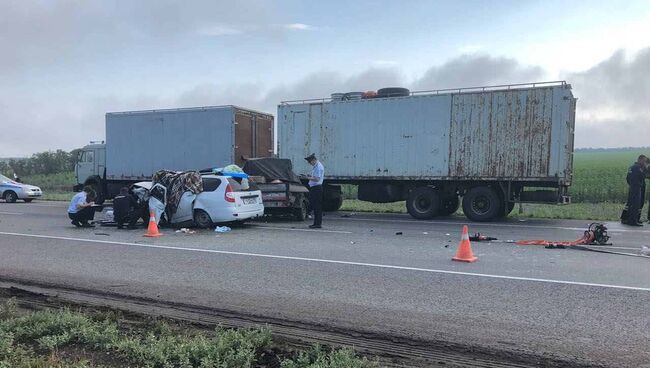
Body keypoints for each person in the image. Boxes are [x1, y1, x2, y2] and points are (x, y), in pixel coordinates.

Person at [620, 155, 647, 226]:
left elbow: (627, 178)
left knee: (630, 203)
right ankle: (633, 221)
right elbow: (643, 175)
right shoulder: (638, 168)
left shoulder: (631, 167)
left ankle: (627, 219)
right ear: (640, 160)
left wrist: (631, 185)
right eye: (644, 161)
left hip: (632, 187)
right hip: (637, 188)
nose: (645, 162)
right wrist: (645, 168)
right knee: (635, 205)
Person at [304, 153, 324, 229]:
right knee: (315, 205)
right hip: (315, 188)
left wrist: (308, 178)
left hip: (317, 188)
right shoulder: (316, 166)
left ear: (313, 160)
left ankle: (317, 224)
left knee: (317, 206)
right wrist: (310, 176)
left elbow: (317, 179)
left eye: (309, 162)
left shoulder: (318, 167)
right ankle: (316, 223)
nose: (309, 163)